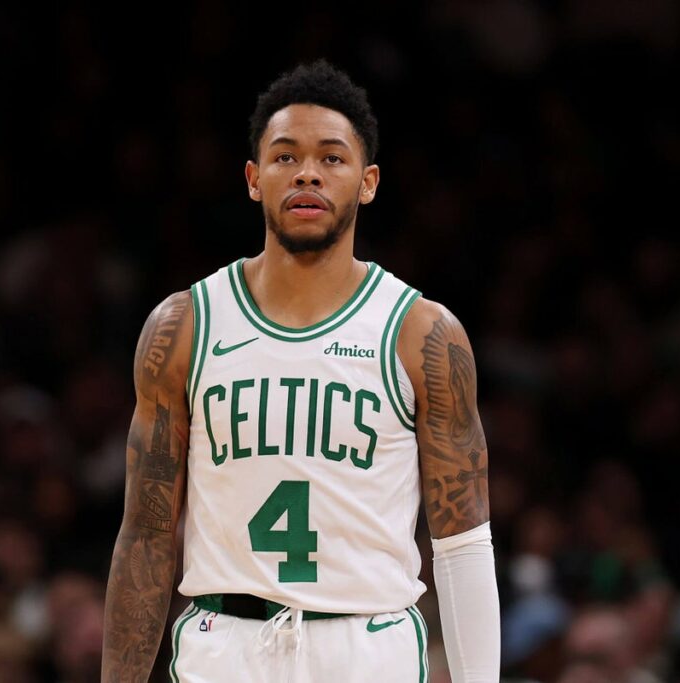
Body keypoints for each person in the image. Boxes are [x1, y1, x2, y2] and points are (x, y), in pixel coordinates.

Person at [101, 59, 500, 682]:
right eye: (285, 156)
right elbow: (146, 534)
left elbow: (463, 542)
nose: (307, 172)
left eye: (332, 158)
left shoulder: (421, 333)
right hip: (223, 644)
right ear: (254, 179)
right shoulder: (184, 326)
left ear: (368, 182)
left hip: (368, 647)